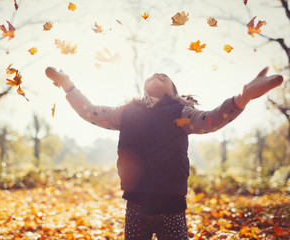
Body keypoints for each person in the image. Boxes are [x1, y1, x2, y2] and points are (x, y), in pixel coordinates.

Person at [45, 66, 283, 240]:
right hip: (136, 203)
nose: (157, 74)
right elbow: (91, 112)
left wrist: (241, 99)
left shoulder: (182, 112)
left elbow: (209, 120)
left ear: (174, 91)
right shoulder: (127, 112)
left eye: (164, 76)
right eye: (153, 75)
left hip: (172, 205)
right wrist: (68, 85)